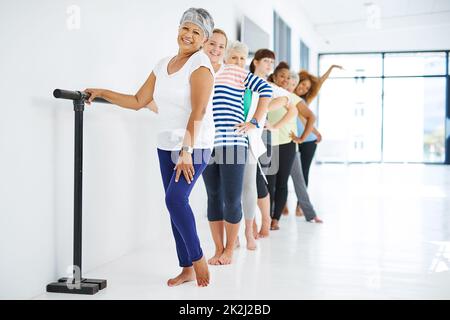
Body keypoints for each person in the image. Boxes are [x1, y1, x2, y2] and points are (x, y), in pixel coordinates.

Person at [84, 8, 215, 287]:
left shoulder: (200, 64)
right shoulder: (162, 64)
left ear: (204, 40)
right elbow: (138, 100)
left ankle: (198, 258)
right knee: (175, 205)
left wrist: (186, 151)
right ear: (178, 29)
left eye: (196, 32)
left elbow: (199, 111)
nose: (188, 35)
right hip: (165, 144)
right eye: (186, 28)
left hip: (195, 145)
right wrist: (102, 92)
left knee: (175, 199)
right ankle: (186, 268)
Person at [202, 38, 272, 264]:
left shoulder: (238, 73)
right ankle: (218, 249)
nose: (238, 61)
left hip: (233, 142)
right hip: (206, 143)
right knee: (214, 197)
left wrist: (254, 121)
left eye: (242, 58)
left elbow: (265, 89)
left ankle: (230, 250)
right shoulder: (206, 73)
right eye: (233, 56)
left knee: (232, 199)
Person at [284, 65, 342, 216]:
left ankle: (300, 206)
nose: (303, 88)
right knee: (284, 172)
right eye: (302, 84)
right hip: (290, 138)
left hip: (308, 140)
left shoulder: (304, 100)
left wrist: (331, 68)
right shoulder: (285, 95)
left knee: (303, 172)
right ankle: (282, 204)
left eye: (307, 87)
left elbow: (320, 83)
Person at [265, 62, 316, 230]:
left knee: (282, 183)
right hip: (268, 144)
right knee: (269, 183)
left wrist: (302, 138)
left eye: (288, 78)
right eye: (282, 76)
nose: (285, 80)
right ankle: (267, 218)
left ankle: (276, 219)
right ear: (274, 77)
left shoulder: (292, 98)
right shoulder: (267, 92)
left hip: (287, 144)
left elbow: (311, 117)